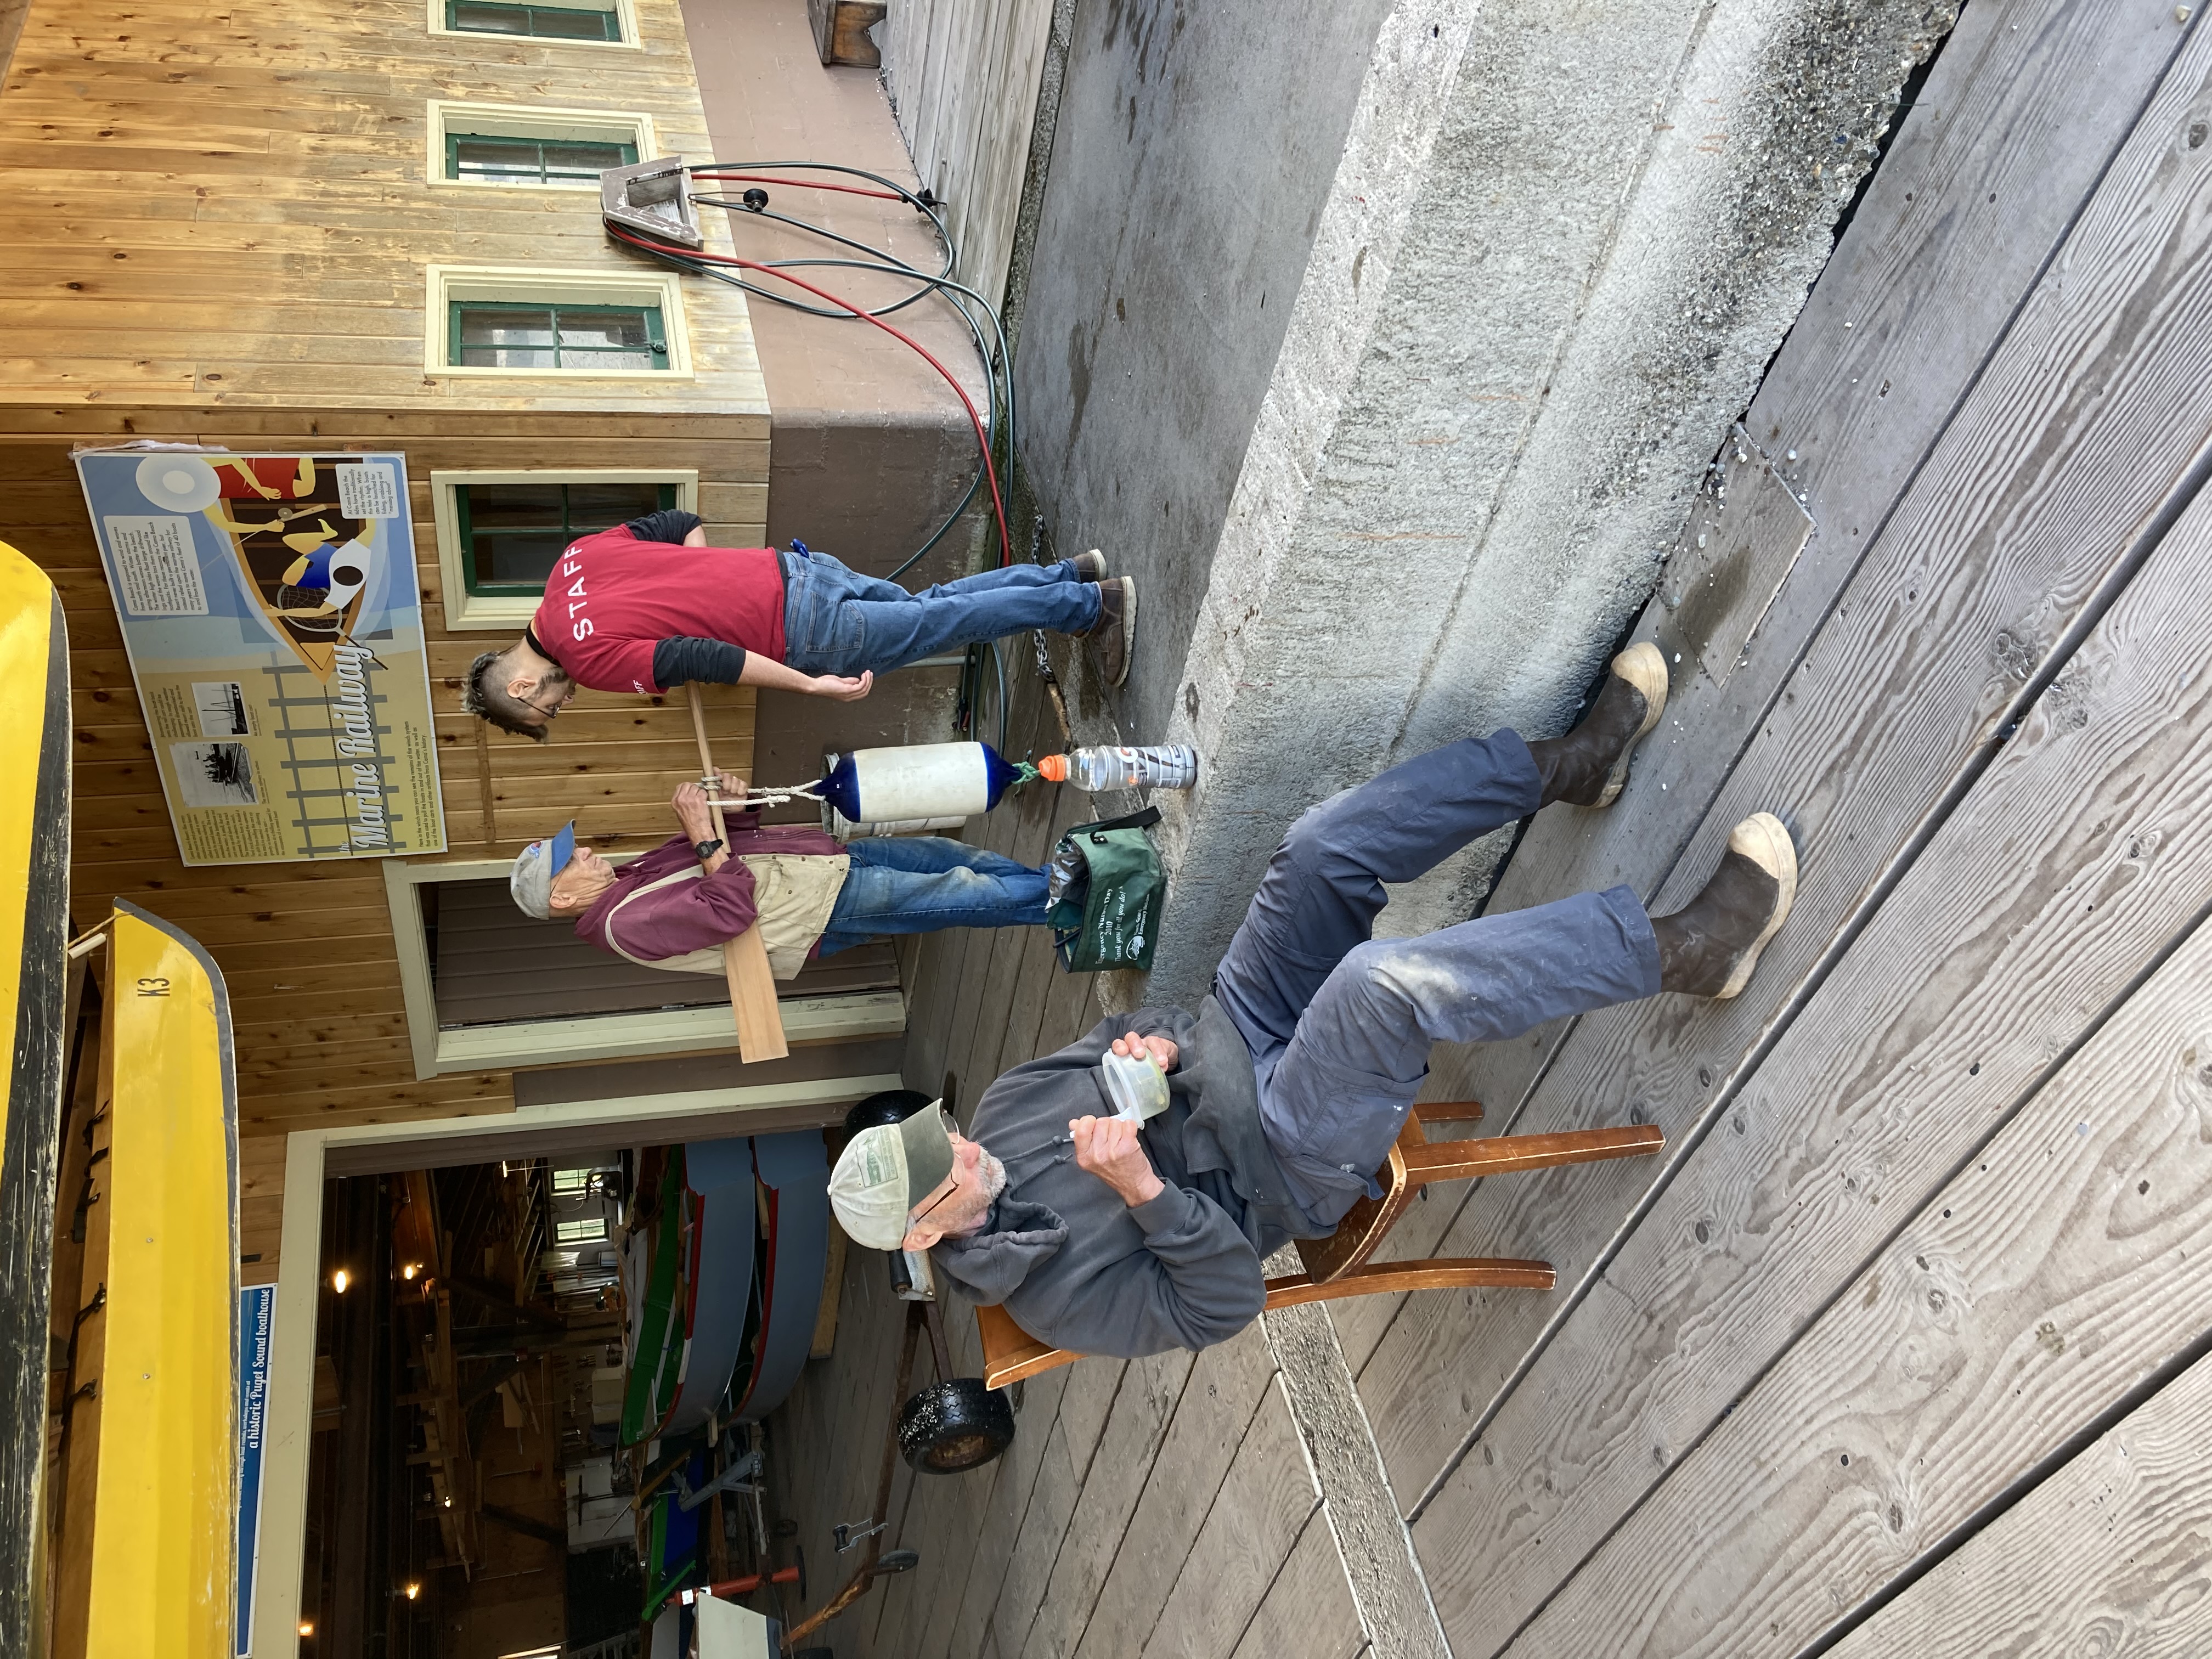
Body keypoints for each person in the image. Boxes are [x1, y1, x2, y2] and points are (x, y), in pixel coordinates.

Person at [825, 644, 1799, 1358]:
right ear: (923, 1230)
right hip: (1281, 1155)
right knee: (1376, 988)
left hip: (1231, 1028)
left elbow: (1125, 1027)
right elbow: (1224, 1301)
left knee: (1322, 848)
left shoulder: (999, 1113)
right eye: (940, 1169)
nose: (961, 1146)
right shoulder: (1048, 1295)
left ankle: (1574, 764)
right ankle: (1690, 949)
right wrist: (1144, 1193)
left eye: (937, 1130)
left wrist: (1152, 1049)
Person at [462, 508, 1138, 741]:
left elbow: (709, 658)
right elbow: (677, 525)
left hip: (801, 634)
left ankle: (1092, 607)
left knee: (947, 621)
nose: (563, 702)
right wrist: (701, 583)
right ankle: (1069, 578)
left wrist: (811, 687)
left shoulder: (587, 661)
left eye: (546, 710)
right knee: (934, 605)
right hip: (797, 571)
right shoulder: (569, 565)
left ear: (521, 689)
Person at [509, 774, 1055, 975]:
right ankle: (1076, 890)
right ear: (560, 899)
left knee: (952, 860)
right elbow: (729, 909)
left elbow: (730, 846)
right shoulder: (624, 924)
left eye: (573, 847)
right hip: (815, 909)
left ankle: (1059, 891)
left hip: (822, 865)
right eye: (570, 862)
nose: (584, 853)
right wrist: (701, 831)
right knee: (960, 892)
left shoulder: (630, 876)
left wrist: (736, 805)